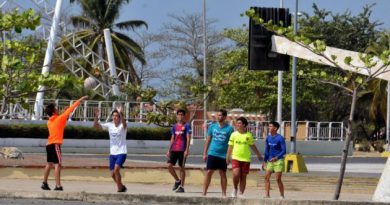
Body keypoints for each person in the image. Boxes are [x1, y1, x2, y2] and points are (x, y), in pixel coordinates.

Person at [41, 96, 88, 191]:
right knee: (58, 164)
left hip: (49, 145)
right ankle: (58, 185)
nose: (58, 109)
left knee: (49, 164)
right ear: (54, 112)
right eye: (56, 108)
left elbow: (59, 117)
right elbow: (71, 109)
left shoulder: (49, 122)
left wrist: (63, 113)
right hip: (55, 145)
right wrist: (80, 99)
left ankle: (44, 183)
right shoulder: (60, 118)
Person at [94, 104, 128, 192]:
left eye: (117, 116)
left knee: (117, 169)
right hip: (112, 153)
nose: (115, 117)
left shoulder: (122, 126)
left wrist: (121, 113)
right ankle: (121, 186)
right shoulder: (109, 125)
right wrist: (96, 117)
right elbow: (96, 126)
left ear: (119, 117)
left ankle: (119, 188)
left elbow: (124, 123)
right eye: (114, 116)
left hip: (122, 152)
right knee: (112, 174)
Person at [226, 117, 263, 198]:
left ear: (244, 125)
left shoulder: (248, 135)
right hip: (235, 157)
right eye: (237, 123)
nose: (237, 125)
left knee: (243, 176)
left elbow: (252, 146)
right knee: (236, 174)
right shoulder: (234, 134)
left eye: (239, 123)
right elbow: (230, 146)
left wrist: (258, 155)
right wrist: (227, 157)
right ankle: (235, 188)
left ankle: (241, 193)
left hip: (246, 159)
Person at [202, 109, 234, 197]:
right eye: (218, 115)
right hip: (212, 153)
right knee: (209, 172)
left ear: (224, 117)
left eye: (220, 115)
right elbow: (208, 140)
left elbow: (231, 144)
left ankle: (224, 193)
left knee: (222, 173)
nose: (218, 117)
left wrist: (229, 156)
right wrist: (204, 153)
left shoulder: (230, 128)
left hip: (223, 155)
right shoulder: (212, 127)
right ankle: (204, 192)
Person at [166, 109, 192, 193]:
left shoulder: (187, 125)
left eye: (182, 114)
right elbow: (172, 138)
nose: (180, 116)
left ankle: (182, 187)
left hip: (182, 149)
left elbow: (188, 138)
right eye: (179, 114)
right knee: (169, 165)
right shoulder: (174, 126)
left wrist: (187, 150)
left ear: (184, 116)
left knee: (181, 168)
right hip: (174, 149)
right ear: (176, 116)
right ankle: (177, 180)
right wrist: (169, 149)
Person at [263, 121, 286, 199]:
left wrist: (276, 157)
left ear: (275, 128)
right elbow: (266, 150)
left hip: (278, 161)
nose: (269, 127)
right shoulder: (268, 138)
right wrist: (264, 161)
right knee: (266, 177)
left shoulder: (280, 138)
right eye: (268, 126)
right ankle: (267, 195)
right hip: (270, 161)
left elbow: (284, 151)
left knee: (278, 179)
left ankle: (282, 195)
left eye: (270, 126)